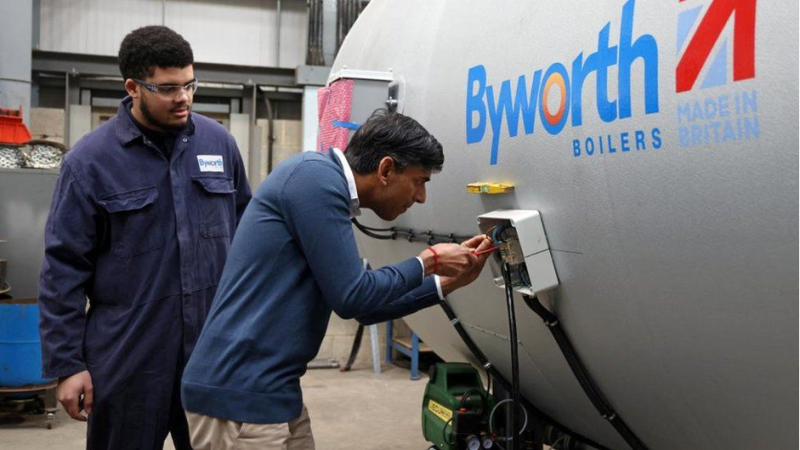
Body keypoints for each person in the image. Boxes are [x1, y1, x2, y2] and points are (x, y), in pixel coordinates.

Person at [181, 111, 493, 449]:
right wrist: (429, 261)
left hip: (274, 389)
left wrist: (450, 282)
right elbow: (353, 297)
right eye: (419, 181)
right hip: (238, 393)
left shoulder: (325, 189)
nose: (420, 197)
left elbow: (366, 309)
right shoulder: (314, 180)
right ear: (386, 170)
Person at [38, 26, 251, 449]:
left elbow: (249, 240)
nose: (184, 98)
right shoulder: (90, 162)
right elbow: (63, 268)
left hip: (211, 355)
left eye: (190, 84)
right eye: (168, 88)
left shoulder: (219, 144)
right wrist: (67, 365)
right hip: (128, 359)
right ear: (133, 87)